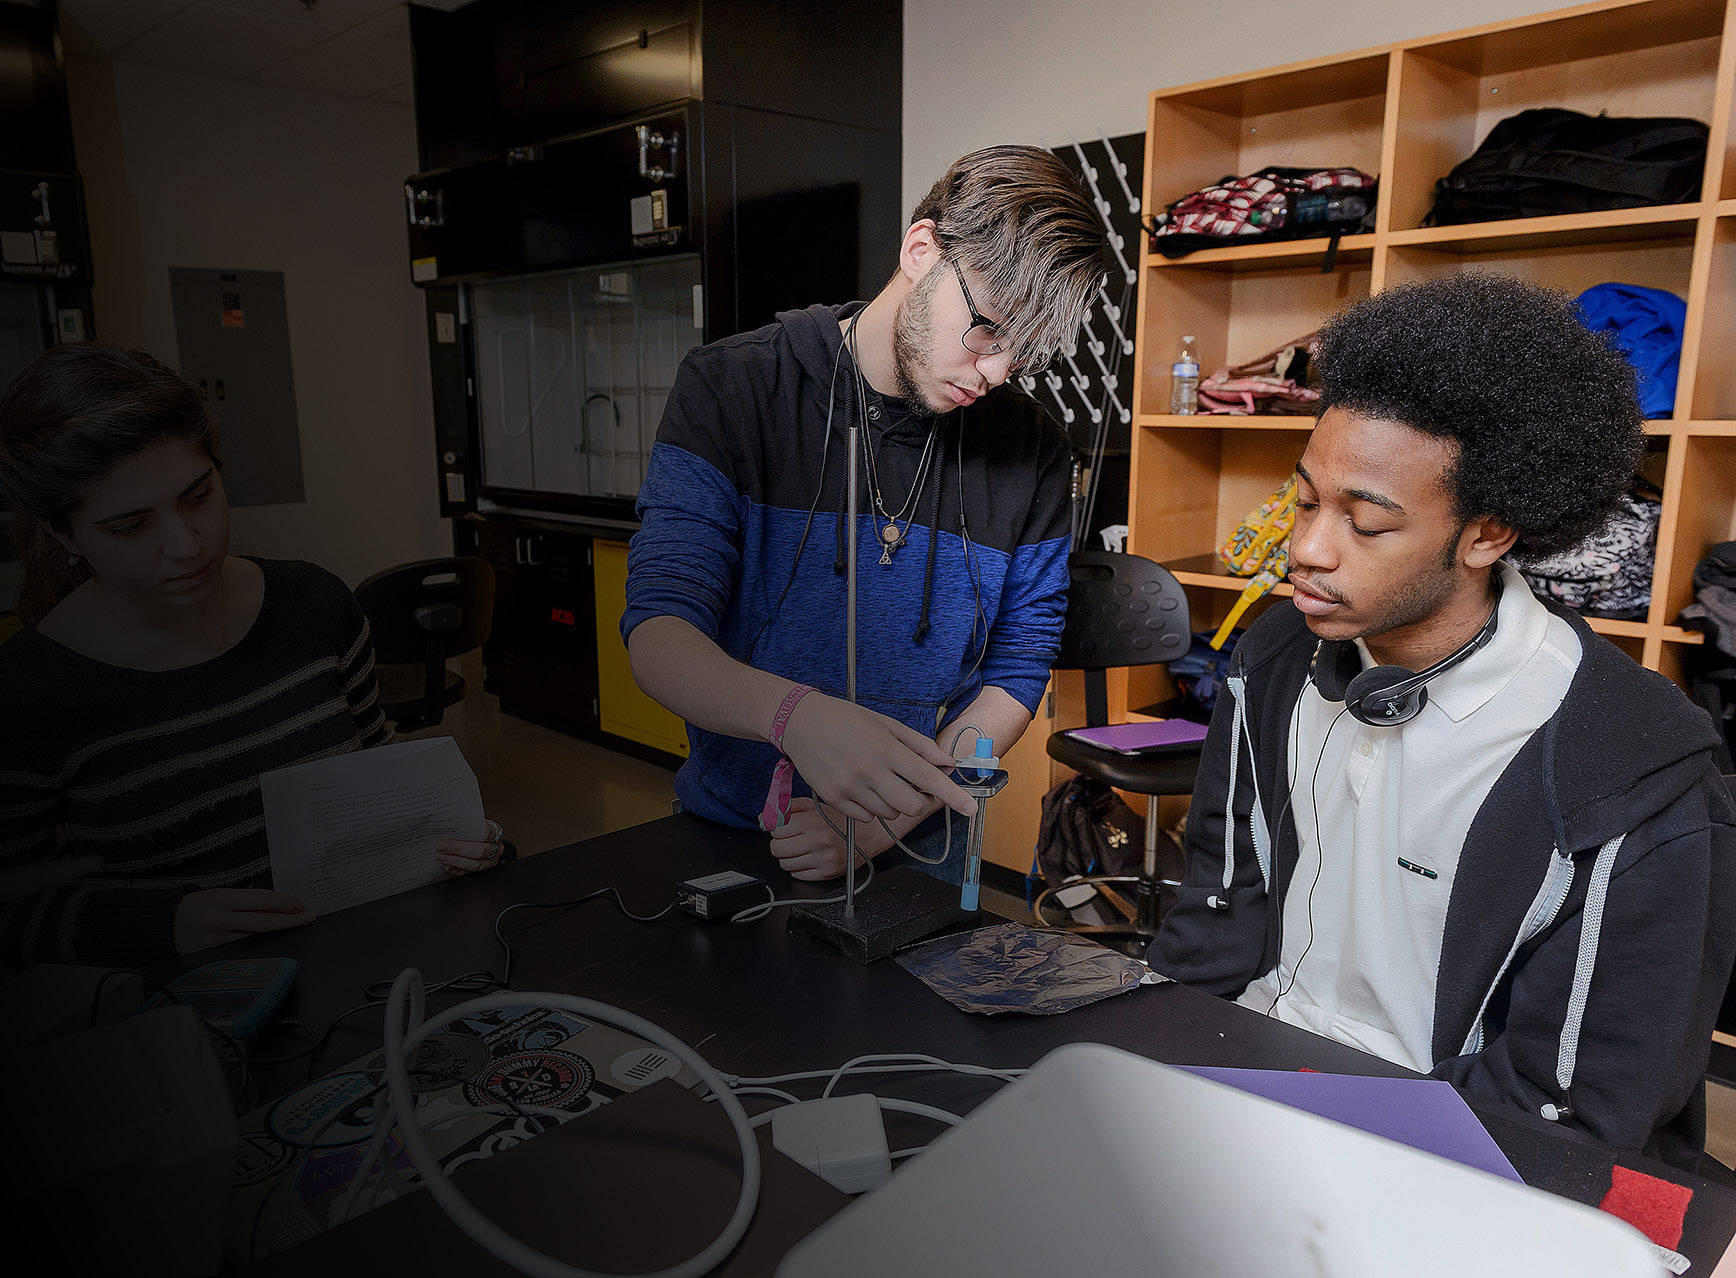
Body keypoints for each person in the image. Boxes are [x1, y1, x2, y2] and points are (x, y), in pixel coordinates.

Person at [1148, 273, 1736, 1164]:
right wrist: (1156, 1061)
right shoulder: (1274, 658)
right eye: (1307, 500)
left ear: (1488, 536)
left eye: (1367, 524)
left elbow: (1571, 1106)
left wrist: (1330, 1139)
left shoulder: (1635, 772)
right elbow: (1219, 902)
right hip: (1251, 1077)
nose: (1305, 548)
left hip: (1449, 1146)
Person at [622, 145, 1106, 884]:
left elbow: (1015, 669)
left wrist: (893, 812)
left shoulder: (1031, 448)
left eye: (1025, 353)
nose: (997, 371)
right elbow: (660, 632)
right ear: (922, 250)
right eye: (989, 329)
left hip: (921, 849)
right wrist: (795, 717)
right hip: (737, 840)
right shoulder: (733, 389)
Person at [0, 343, 504, 964]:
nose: (185, 545)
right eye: (131, 526)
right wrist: (163, 923)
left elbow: (376, 774)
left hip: (368, 971)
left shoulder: (315, 606)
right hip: (192, 1026)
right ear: (60, 532)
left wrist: (451, 837)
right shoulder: (22, 694)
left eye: (197, 496)